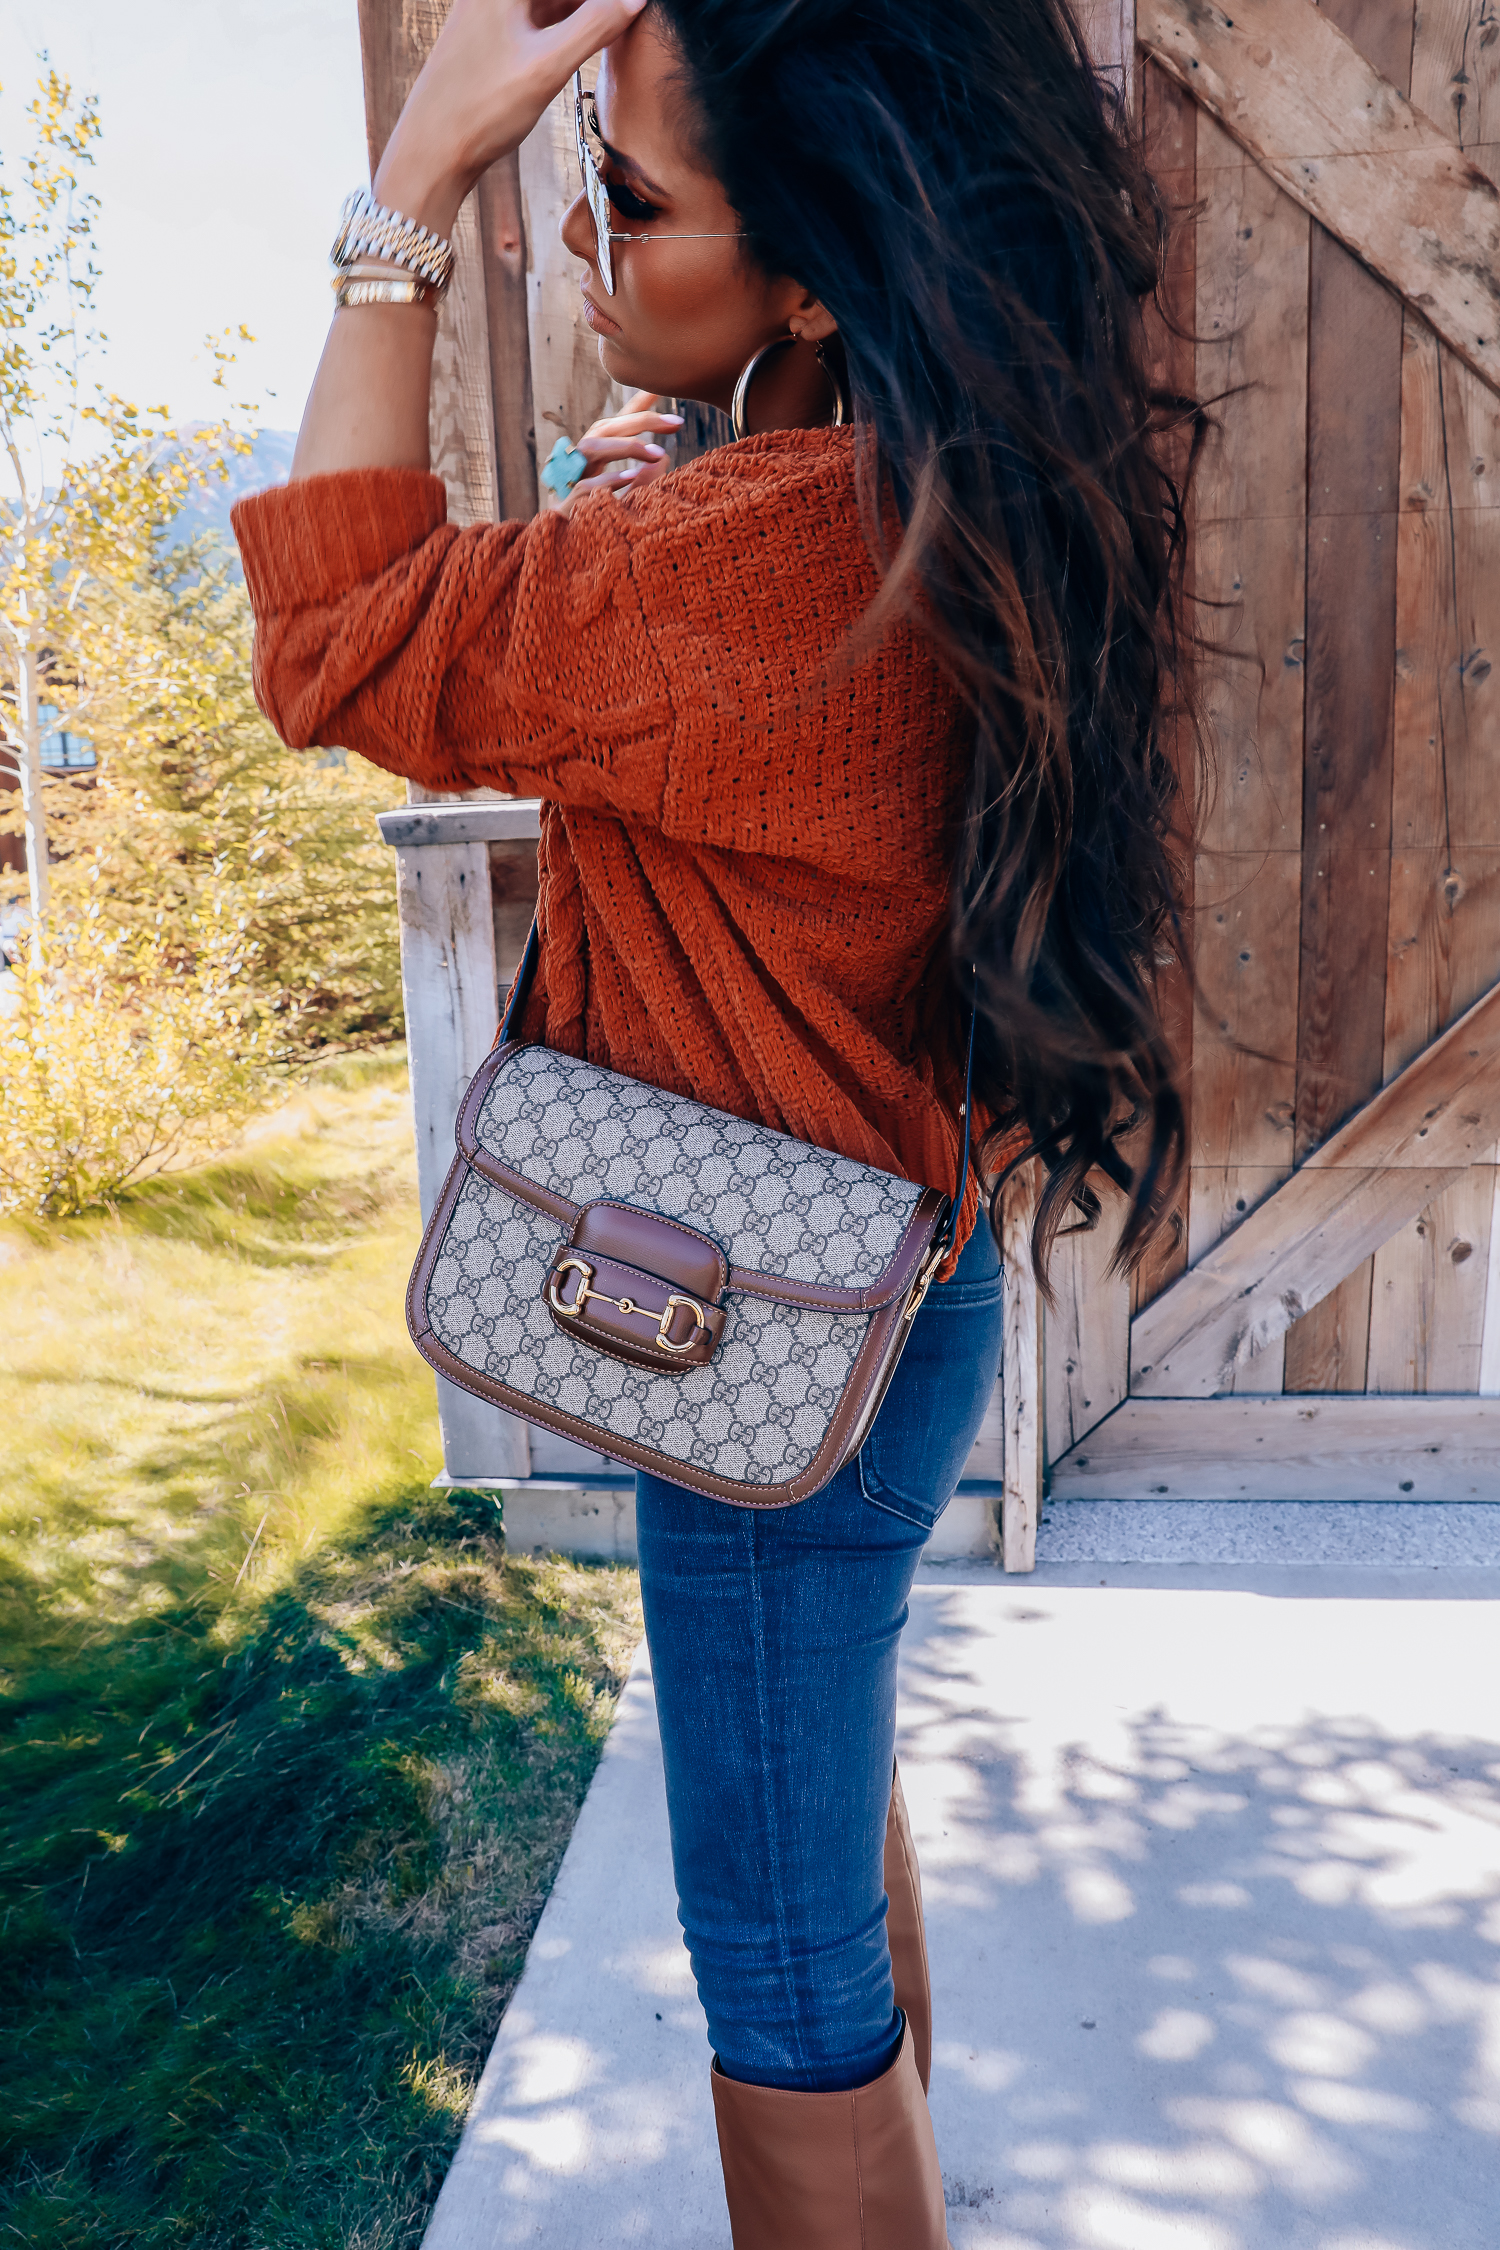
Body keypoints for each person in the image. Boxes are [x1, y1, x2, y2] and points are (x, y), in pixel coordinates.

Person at [234, 0, 1192, 2238]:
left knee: (776, 1965)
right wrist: (661, 472)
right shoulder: (924, 496)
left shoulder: (733, 559)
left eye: (630, 197)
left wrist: (407, 207)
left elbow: (334, 638)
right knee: (823, 1847)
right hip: (886, 1293)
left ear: (826, 265)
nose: (580, 226)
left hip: (763, 1336)